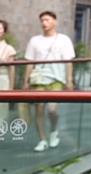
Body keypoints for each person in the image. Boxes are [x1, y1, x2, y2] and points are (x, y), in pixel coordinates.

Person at [23, 11, 75, 152]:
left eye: (47, 20)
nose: (44, 23)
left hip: (56, 79)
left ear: (54, 22)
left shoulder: (64, 40)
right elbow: (30, 62)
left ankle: (54, 130)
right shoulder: (34, 41)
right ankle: (42, 140)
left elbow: (68, 61)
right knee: (39, 109)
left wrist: (69, 80)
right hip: (39, 79)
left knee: (52, 109)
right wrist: (26, 81)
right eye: (42, 20)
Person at [0, 19, 17, 121]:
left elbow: (12, 69)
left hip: (3, 78)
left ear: (4, 31)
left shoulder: (9, 49)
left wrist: (11, 87)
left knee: (2, 106)